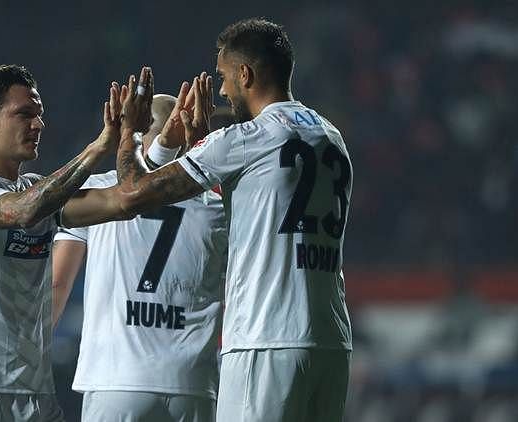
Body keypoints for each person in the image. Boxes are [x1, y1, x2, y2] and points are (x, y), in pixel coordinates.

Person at [115, 18, 353, 422]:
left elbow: (133, 192)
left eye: (224, 77)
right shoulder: (331, 136)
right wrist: (199, 145)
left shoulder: (246, 138)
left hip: (265, 338)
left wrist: (129, 132)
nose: (222, 90)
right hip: (330, 343)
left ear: (245, 74)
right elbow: (263, 200)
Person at [0, 65, 139, 422]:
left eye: (39, 114)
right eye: (24, 114)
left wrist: (131, 138)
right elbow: (23, 211)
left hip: (34, 391)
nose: (38, 124)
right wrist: (98, 148)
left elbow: (124, 201)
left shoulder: (36, 187)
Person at [51, 94, 227, 421]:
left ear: (139, 134)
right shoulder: (216, 208)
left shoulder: (98, 192)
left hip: (116, 380)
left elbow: (57, 285)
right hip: (192, 383)